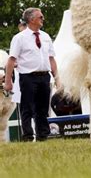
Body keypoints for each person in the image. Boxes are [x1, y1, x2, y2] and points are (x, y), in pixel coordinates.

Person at [4, 8, 61, 142]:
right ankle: (28, 136)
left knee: (42, 108)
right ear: (31, 19)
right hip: (27, 77)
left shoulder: (46, 37)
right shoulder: (19, 38)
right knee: (27, 107)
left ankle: (43, 135)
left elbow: (51, 58)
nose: (43, 19)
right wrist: (8, 81)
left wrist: (57, 78)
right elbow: (11, 60)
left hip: (44, 76)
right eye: (40, 17)